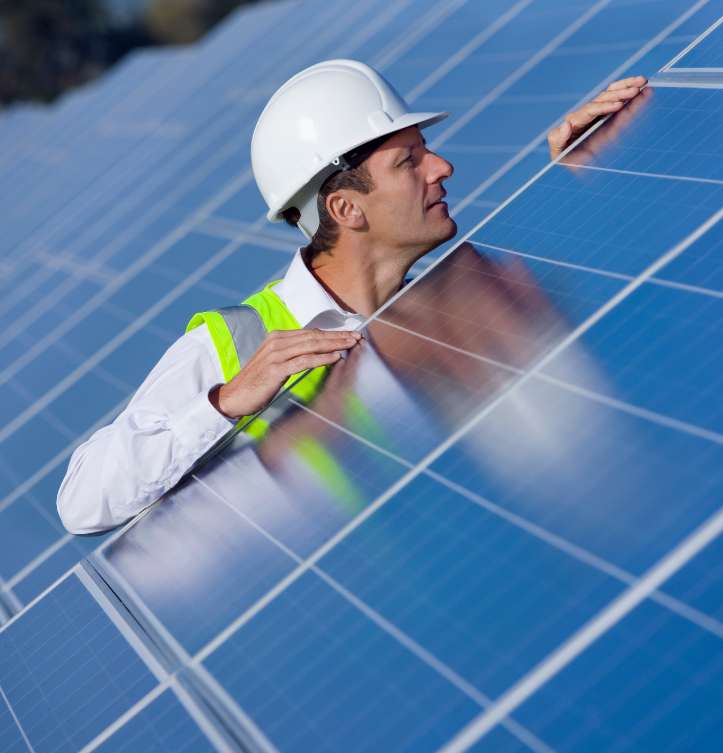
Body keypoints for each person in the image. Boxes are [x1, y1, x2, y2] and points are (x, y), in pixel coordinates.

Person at [56, 59, 646, 535]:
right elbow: (83, 502)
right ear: (345, 208)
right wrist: (229, 402)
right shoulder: (240, 344)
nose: (443, 167)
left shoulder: (454, 304)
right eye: (408, 161)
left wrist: (579, 186)